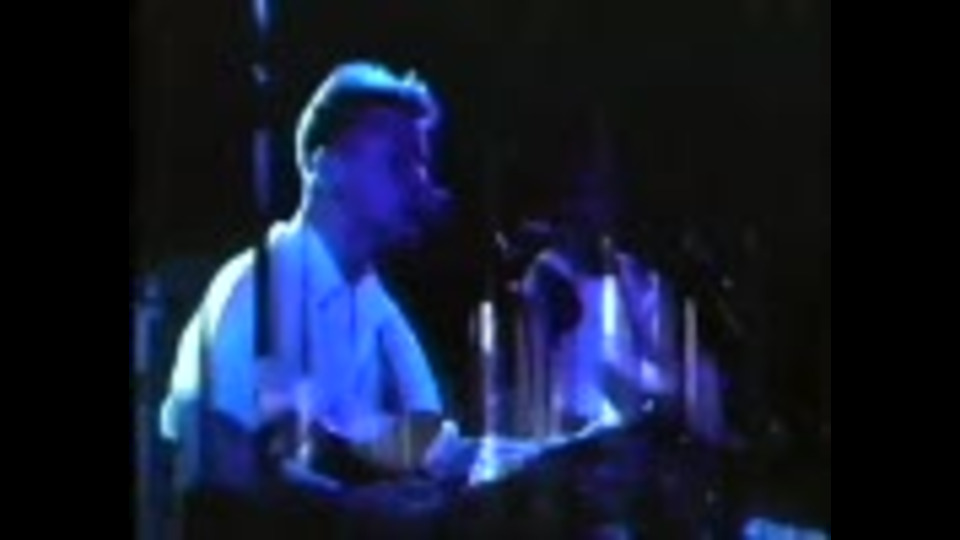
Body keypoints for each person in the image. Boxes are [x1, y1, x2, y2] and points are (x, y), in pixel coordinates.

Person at [158, 61, 476, 536]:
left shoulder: (370, 300)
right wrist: (356, 510)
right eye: (401, 162)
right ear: (326, 168)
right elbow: (216, 464)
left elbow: (426, 445)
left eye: (423, 166)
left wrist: (541, 456)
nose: (423, 185)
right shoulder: (259, 285)